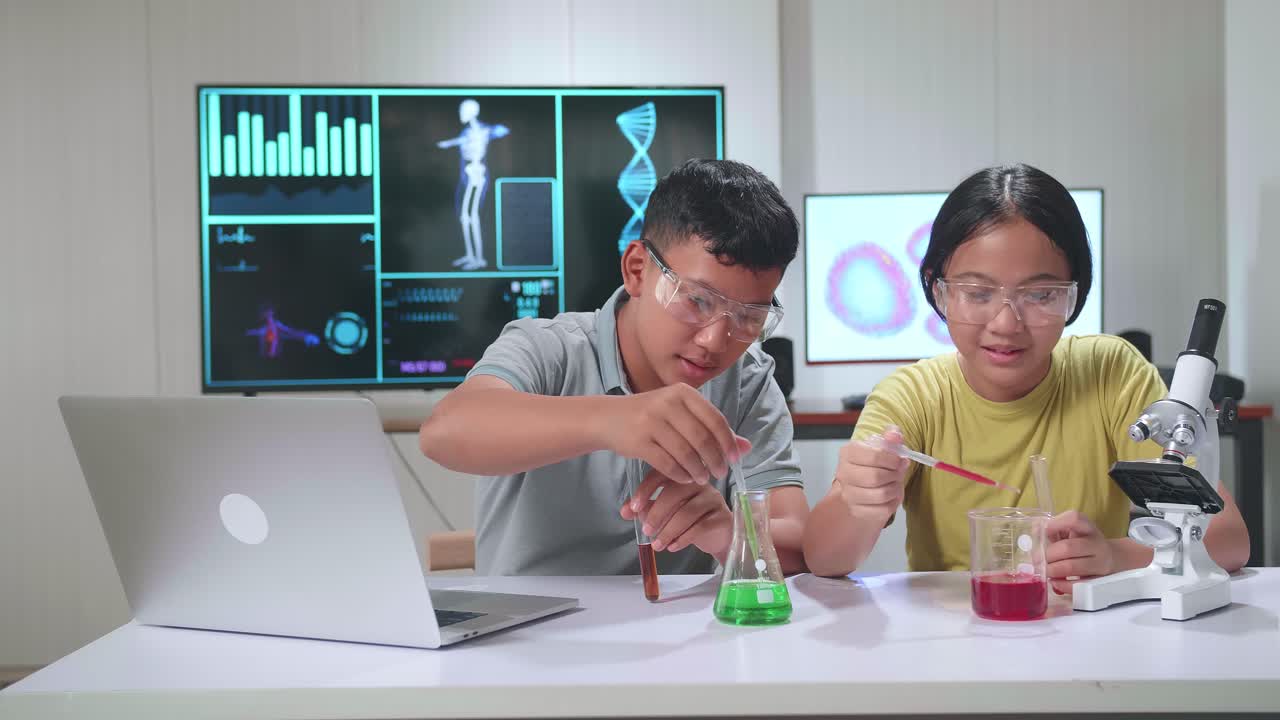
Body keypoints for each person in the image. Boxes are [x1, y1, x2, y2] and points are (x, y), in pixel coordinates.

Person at [802, 163, 1250, 590]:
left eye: (1040, 294)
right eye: (977, 293)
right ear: (938, 291)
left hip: (1088, 640)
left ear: (1075, 295)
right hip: (955, 644)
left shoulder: (1111, 374)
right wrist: (859, 506)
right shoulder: (913, 398)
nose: (1006, 323)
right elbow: (824, 559)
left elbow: (1228, 537)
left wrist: (1115, 556)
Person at [420, 159, 809, 576]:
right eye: (696, 300)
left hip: (677, 636)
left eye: (748, 317)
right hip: (529, 634)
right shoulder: (550, 349)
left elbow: (800, 549)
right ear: (637, 270)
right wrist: (612, 420)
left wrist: (729, 532)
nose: (715, 341)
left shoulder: (746, 382)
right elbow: (444, 432)